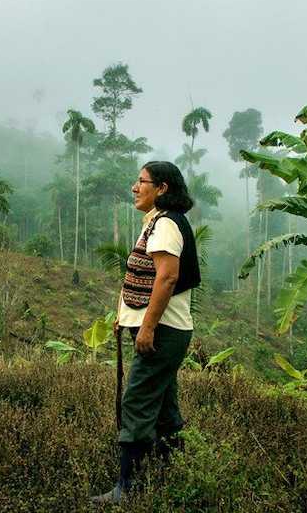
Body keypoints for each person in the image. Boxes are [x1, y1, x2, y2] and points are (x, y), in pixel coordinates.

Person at [92, 161, 200, 505]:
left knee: (136, 401)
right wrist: (126, 316)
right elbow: (144, 278)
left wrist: (148, 326)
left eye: (142, 182)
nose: (135, 187)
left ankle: (127, 488)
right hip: (163, 329)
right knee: (164, 405)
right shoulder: (155, 223)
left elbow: (167, 278)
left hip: (163, 331)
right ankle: (173, 475)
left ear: (163, 188)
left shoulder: (166, 225)